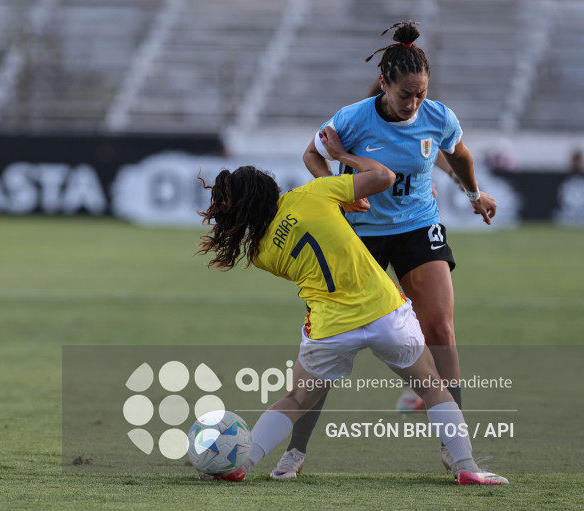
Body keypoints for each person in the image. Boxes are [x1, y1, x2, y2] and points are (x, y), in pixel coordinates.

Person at [196, 125, 508, 485]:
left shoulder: (262, 253)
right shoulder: (314, 192)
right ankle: (466, 465)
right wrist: (341, 157)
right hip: (384, 312)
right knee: (431, 385)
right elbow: (384, 176)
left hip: (329, 327)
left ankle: (243, 464)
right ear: (269, 187)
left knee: (296, 399)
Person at [271, 21, 498, 480]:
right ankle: (296, 451)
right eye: (404, 95)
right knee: (333, 343)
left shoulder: (439, 116)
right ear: (384, 83)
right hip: (359, 235)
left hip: (417, 225)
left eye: (420, 94)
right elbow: (312, 155)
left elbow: (460, 155)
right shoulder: (353, 118)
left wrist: (476, 195)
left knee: (440, 327)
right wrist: (333, 188)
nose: (413, 104)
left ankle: (455, 450)